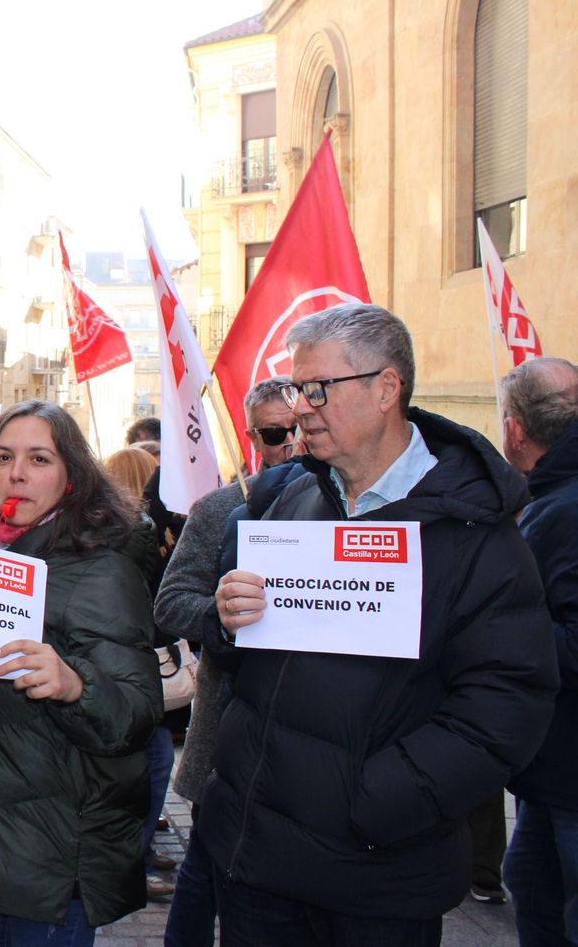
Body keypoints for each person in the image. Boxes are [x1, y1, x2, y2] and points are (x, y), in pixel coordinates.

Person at [202, 304, 557, 945]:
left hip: (376, 878)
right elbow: (244, 660)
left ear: (387, 388)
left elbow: (508, 702)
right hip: (255, 865)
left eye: (318, 388)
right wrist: (228, 621)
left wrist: (375, 802)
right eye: (296, 389)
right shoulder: (295, 498)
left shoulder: (474, 531)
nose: (301, 408)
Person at [0, 399, 162, 945]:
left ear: (72, 477)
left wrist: (76, 687)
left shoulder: (102, 568)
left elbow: (137, 715)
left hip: (51, 856)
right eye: (3, 457)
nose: (16, 473)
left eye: (39, 459)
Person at [152, 375, 297, 947]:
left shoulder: (358, 512)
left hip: (314, 749)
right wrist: (222, 613)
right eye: (274, 433)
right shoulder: (221, 509)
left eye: (300, 427)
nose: (291, 442)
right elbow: (170, 603)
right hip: (228, 728)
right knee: (206, 870)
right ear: (252, 437)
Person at [497, 356, 578, 945]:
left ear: (514, 430)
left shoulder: (565, 509)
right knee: (527, 879)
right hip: (550, 768)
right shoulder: (551, 498)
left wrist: (492, 626)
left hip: (568, 771)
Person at [106, 444, 179, 902]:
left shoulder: (151, 530)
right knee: (152, 764)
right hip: (130, 670)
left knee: (155, 762)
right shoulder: (126, 534)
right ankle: (135, 862)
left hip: (136, 668)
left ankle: (142, 854)